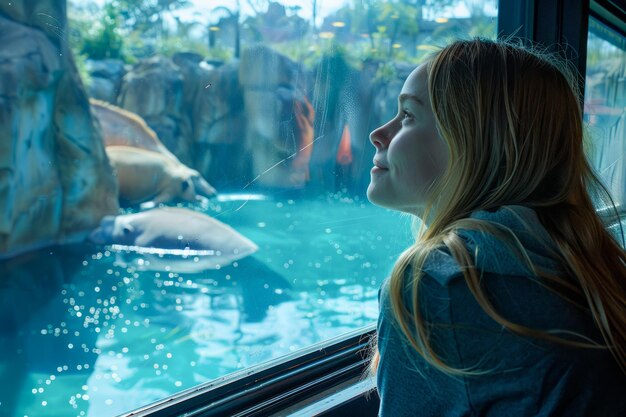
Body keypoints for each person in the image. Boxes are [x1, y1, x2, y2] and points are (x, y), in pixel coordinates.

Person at [366, 38, 626, 416]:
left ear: (472, 142)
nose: (379, 133)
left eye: (407, 115)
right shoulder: (581, 264)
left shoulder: (440, 286)